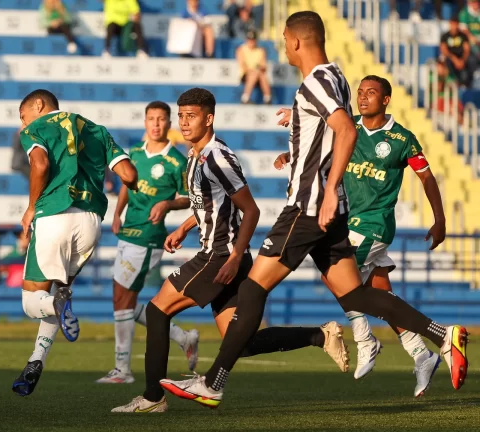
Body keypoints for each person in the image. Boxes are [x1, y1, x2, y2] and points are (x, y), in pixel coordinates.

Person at [158, 11, 468, 409]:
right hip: (326, 214)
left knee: (253, 287)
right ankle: (443, 334)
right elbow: (329, 128)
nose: (282, 45)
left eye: (284, 38)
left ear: (296, 40)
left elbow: (346, 129)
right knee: (355, 295)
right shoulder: (335, 76)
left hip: (306, 208)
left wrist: (330, 190)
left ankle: (214, 382)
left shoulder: (317, 80)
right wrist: (296, 126)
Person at [112, 88, 350, 413]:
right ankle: (319, 336)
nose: (183, 122)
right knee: (242, 344)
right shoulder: (195, 155)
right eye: (180, 116)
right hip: (222, 254)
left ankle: (153, 398)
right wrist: (185, 226)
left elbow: (250, 211)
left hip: (219, 255)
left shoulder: (217, 156)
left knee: (156, 310)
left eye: (191, 116)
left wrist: (236, 256)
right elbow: (212, 204)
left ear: (209, 118)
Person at [274, 76, 447, 397]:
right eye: (360, 92)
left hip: (374, 224)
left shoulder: (402, 139)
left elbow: (427, 177)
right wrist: (291, 156)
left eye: (371, 93)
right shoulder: (348, 126)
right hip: (347, 223)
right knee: (381, 293)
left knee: (335, 276)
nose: (364, 97)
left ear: (386, 100)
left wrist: (440, 219)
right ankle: (421, 355)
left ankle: (365, 337)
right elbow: (315, 140)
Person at [12, 89, 138, 397]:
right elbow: (129, 174)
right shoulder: (95, 129)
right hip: (91, 223)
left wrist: (31, 208)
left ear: (38, 106)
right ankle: (35, 363)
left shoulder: (35, 129)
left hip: (55, 215)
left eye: (23, 115)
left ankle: (54, 311)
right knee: (58, 294)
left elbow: (40, 165)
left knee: (32, 302)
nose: (22, 123)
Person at [96, 101, 198, 385]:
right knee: (122, 299)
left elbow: (190, 198)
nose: (156, 124)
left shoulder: (176, 161)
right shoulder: (136, 153)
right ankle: (183, 337)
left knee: (123, 298)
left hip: (150, 237)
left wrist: (167, 204)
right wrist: (117, 213)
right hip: (128, 230)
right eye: (151, 119)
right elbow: (127, 187)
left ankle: (122, 369)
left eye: (161, 119)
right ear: (145, 122)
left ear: (169, 124)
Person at [236, 31, 272, 104]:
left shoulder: (261, 50)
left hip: (258, 74)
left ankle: (267, 98)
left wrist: (258, 69)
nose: (251, 42)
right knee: (255, 74)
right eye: (250, 40)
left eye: (253, 40)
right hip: (245, 74)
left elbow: (264, 66)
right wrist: (254, 70)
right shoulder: (241, 49)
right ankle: (246, 98)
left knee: (261, 74)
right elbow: (243, 65)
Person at [440, 17, 474, 88]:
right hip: (451, 58)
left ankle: (468, 83)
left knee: (471, 60)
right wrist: (455, 60)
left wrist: (462, 60)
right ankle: (451, 81)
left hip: (462, 58)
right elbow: (444, 51)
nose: (454, 27)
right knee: (446, 63)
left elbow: (467, 49)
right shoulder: (445, 36)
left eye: (455, 25)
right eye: (452, 25)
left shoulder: (463, 35)